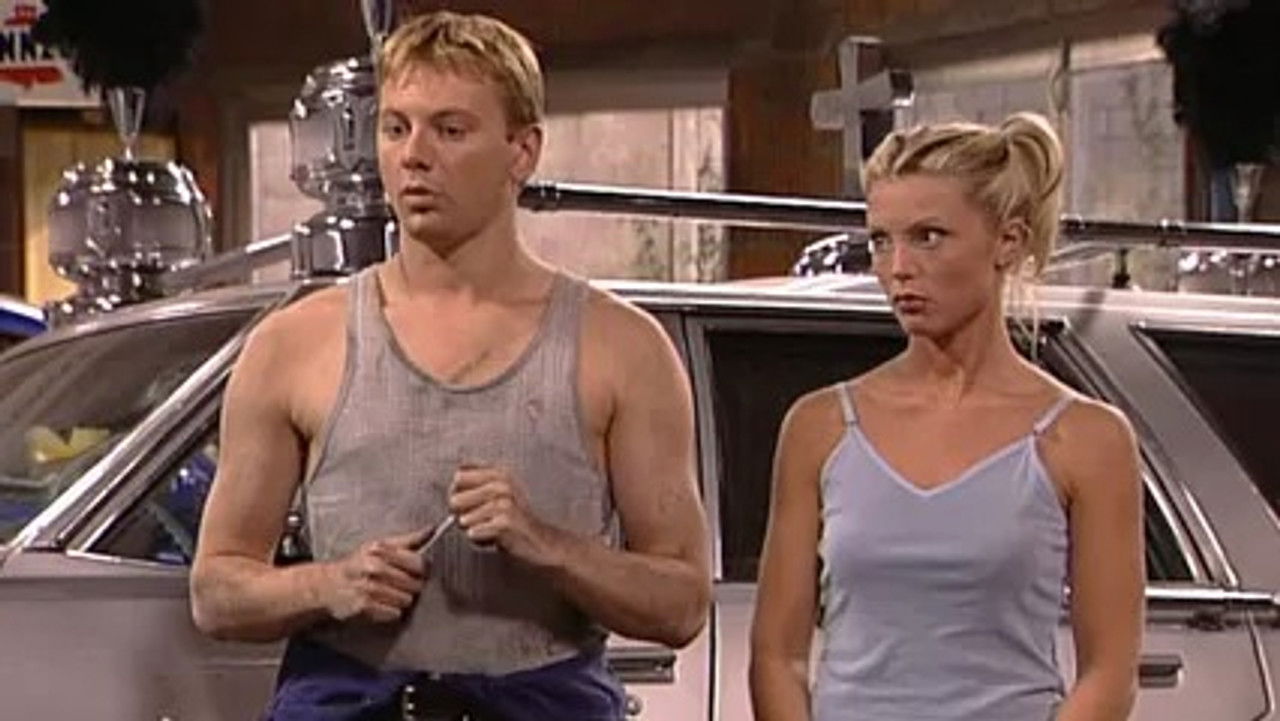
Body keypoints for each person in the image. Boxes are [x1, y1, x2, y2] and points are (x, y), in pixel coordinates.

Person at [189, 10, 711, 721]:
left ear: (522, 151)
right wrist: (328, 585)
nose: (414, 155)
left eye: (450, 130)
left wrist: (548, 546)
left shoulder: (622, 348)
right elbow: (216, 590)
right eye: (395, 128)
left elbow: (682, 603)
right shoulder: (294, 345)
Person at [749, 113, 1144, 721]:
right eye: (881, 241)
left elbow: (1110, 674)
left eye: (928, 237)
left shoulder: (1085, 440)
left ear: (1007, 242)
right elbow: (777, 655)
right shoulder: (820, 427)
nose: (898, 267)